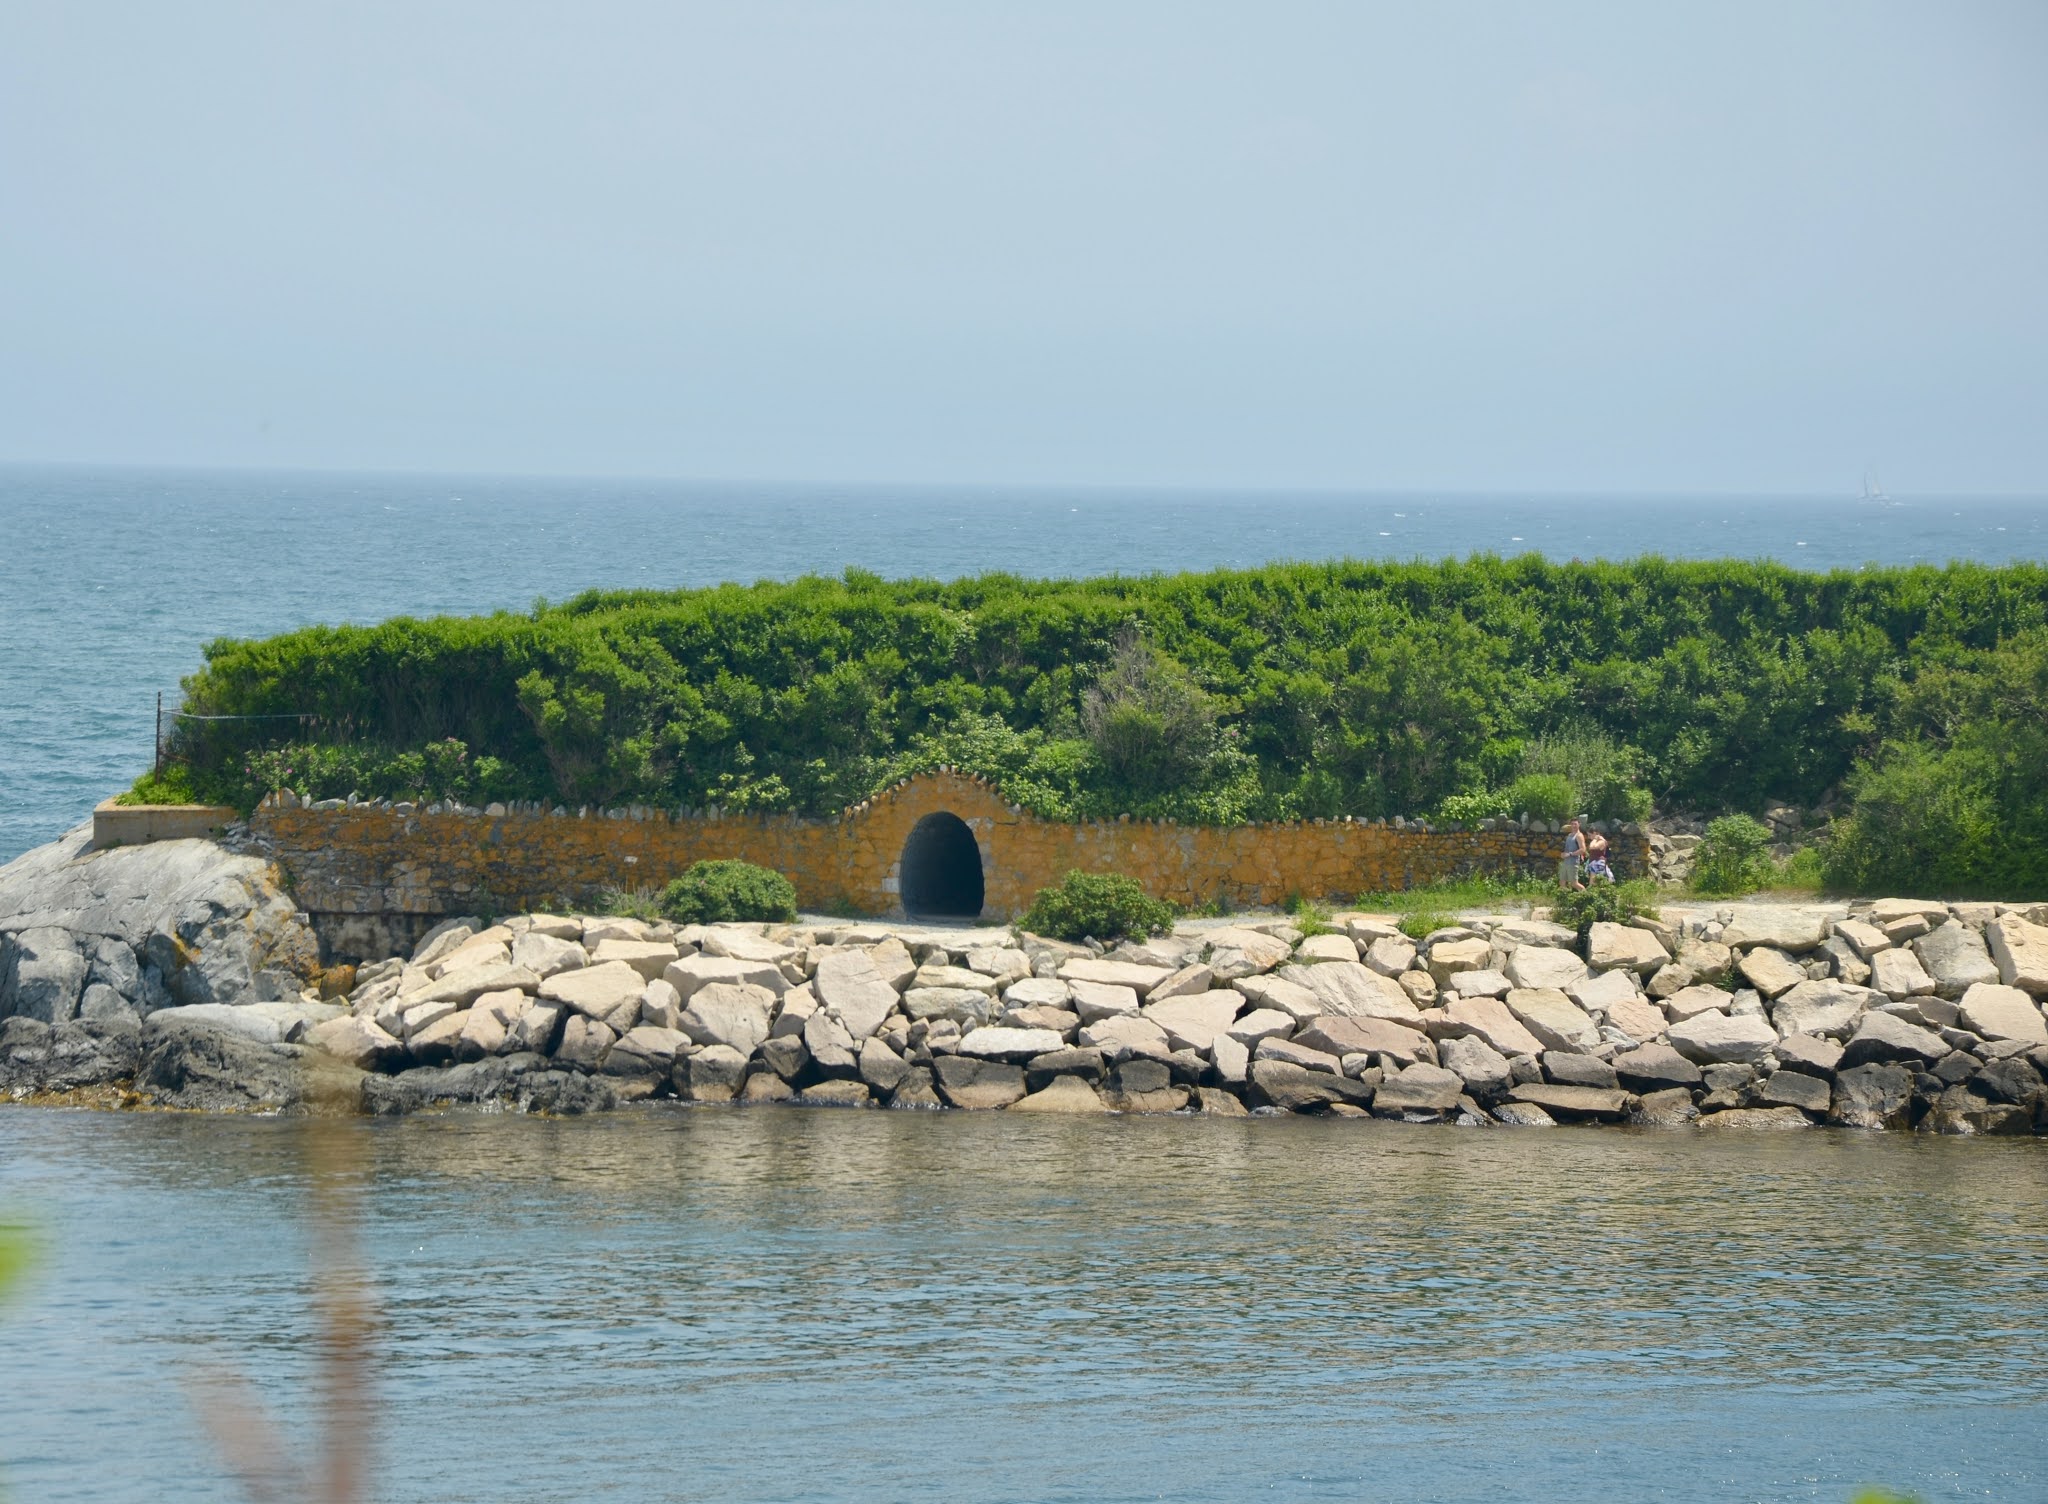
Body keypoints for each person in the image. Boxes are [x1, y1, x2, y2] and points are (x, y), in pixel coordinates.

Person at [1559, 817, 1586, 891]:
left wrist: (1570, 854)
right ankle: (1565, 899)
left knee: (1574, 884)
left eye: (1575, 824)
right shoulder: (1569, 835)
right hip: (1566, 862)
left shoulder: (1579, 836)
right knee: (1562, 881)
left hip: (1573, 863)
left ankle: (1586, 896)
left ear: (1579, 824)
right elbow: (1567, 849)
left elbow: (1583, 849)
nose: (1574, 826)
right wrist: (1563, 854)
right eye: (1572, 824)